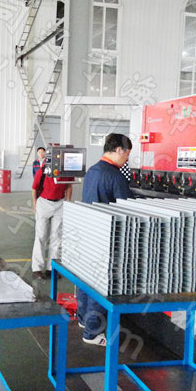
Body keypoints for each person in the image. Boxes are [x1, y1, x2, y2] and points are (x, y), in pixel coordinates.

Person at [77, 133, 133, 346]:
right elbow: (127, 207)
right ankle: (92, 333)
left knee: (85, 278)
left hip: (87, 232)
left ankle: (83, 319)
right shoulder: (115, 176)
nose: (127, 159)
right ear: (119, 150)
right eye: (127, 154)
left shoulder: (92, 171)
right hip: (105, 237)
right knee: (101, 284)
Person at [31, 158, 73, 280]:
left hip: (59, 204)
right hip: (44, 203)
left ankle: (52, 268)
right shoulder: (42, 171)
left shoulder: (66, 171)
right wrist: (35, 205)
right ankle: (37, 268)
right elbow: (34, 188)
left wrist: (67, 203)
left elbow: (69, 186)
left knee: (57, 237)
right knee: (41, 236)